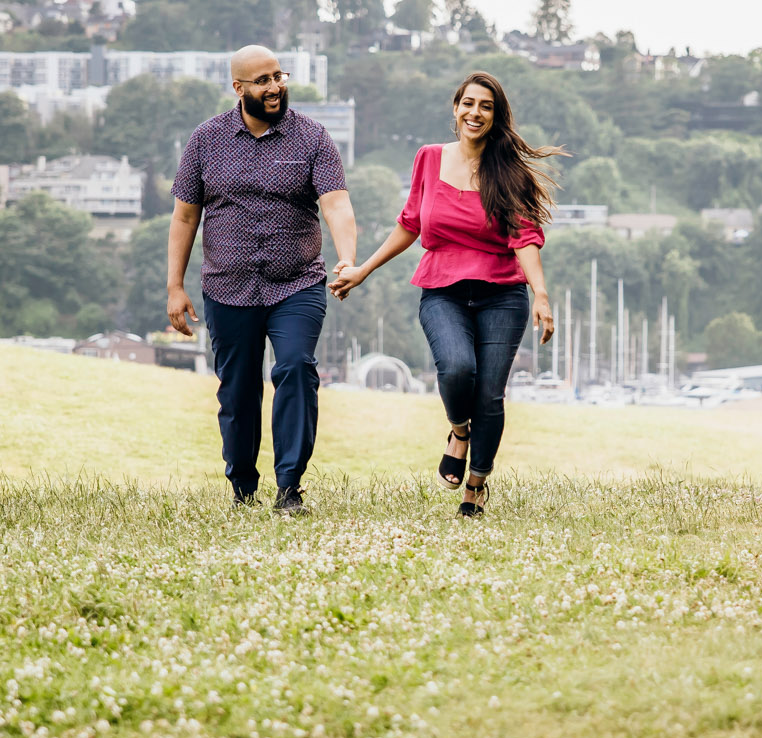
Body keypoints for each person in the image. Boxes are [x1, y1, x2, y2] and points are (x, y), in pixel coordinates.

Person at [330, 71, 560, 516]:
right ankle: (459, 430)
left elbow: (525, 237)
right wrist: (363, 271)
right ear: (455, 109)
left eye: (486, 106)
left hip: (502, 295)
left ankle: (475, 488)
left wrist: (542, 295)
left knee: (490, 394)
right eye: (468, 103)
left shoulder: (507, 172)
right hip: (442, 290)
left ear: (496, 117)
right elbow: (410, 224)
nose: (475, 112)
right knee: (456, 370)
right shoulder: (428, 158)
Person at [167, 44, 356, 514]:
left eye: (279, 76)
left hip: (297, 283)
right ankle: (242, 489)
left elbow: (335, 203)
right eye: (263, 81)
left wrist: (348, 259)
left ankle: (289, 489)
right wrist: (175, 285)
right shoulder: (206, 140)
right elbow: (186, 216)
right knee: (238, 390)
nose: (275, 87)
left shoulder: (312, 138)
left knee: (295, 368)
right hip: (228, 287)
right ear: (239, 88)